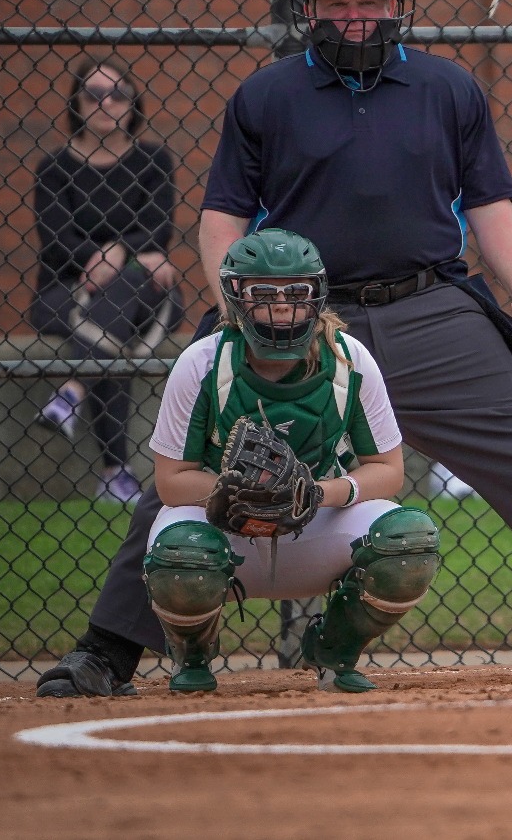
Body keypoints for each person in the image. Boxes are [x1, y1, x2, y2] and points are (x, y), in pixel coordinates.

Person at [36, 0, 512, 699]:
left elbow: (489, 203)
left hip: (430, 308)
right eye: (336, 3)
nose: (354, 17)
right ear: (311, 11)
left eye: (369, 3)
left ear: (396, 8)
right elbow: (222, 215)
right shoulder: (266, 96)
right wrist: (235, 303)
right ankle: (108, 650)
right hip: (298, 317)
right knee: (194, 469)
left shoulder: (447, 87)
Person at [144, 229, 438, 693]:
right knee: (182, 553)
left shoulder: (350, 358)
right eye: (263, 294)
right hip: (228, 529)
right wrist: (238, 493)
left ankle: (333, 649)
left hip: (315, 524)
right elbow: (170, 482)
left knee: (408, 541)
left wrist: (317, 493)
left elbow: (388, 469)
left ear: (317, 295)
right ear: (237, 298)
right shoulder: (202, 363)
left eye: (297, 293)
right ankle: (193, 653)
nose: (282, 306)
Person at [31, 56, 182, 505]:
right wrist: (99, 257)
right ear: (76, 102)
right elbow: (55, 237)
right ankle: (116, 472)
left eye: (117, 93)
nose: (105, 103)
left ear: (133, 103)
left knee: (127, 285)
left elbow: (160, 226)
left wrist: (117, 253)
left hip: (143, 296)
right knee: (113, 332)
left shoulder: (153, 159)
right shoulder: (55, 166)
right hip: (64, 293)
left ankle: (72, 391)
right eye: (93, 94)